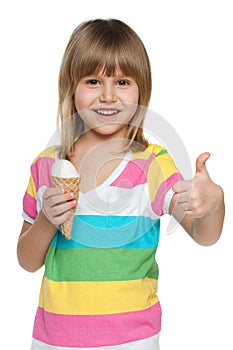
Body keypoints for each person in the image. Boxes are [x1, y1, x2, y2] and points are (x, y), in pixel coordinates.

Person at [17, 19, 225, 350]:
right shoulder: (45, 164)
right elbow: (27, 261)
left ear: (142, 89)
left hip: (132, 340)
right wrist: (46, 220)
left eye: (123, 81)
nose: (109, 95)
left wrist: (215, 203)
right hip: (53, 339)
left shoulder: (152, 163)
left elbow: (204, 234)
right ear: (72, 88)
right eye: (93, 80)